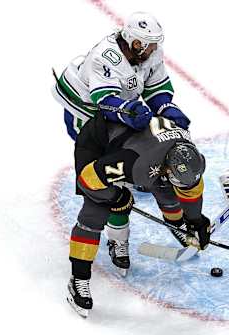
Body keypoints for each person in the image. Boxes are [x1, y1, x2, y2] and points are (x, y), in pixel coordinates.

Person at [67, 114, 210, 317]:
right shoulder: (136, 163)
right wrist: (117, 197)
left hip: (139, 144)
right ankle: (78, 279)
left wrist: (196, 220)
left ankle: (176, 225)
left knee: (168, 191)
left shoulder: (186, 154)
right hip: (98, 142)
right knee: (95, 211)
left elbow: (190, 189)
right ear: (166, 167)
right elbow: (87, 181)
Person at [52, 11, 190, 140]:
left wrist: (165, 108)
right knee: (103, 159)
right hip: (85, 112)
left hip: (121, 106)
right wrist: (131, 111)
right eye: (151, 44)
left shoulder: (151, 54)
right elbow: (105, 100)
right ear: (137, 44)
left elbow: (155, 89)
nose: (155, 48)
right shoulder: (104, 57)